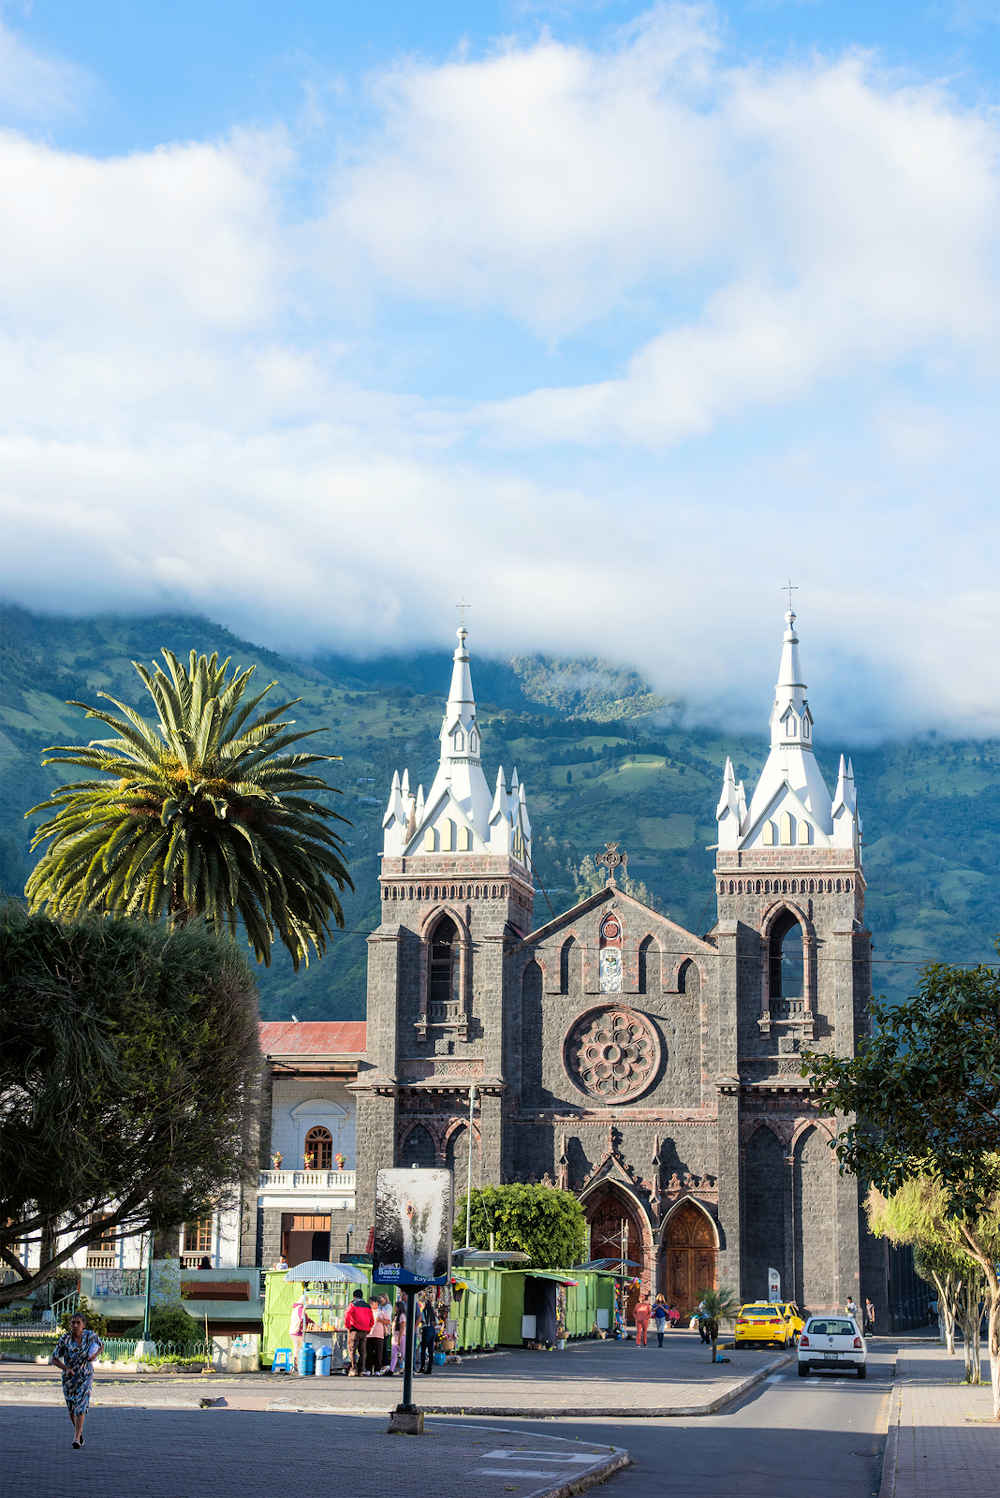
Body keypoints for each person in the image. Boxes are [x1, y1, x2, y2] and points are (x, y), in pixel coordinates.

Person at [53, 1312, 103, 1448]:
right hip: (69, 1377)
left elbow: (101, 1345)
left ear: (83, 1325)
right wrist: (66, 1368)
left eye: (78, 1323)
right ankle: (79, 1433)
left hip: (85, 1375)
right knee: (71, 1408)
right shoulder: (65, 1339)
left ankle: (76, 1439)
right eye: (73, 1322)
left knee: (80, 1406)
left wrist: (94, 1356)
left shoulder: (90, 1336)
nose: (75, 1325)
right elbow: (54, 1359)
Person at [345, 1289, 374, 1376]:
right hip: (364, 1332)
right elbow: (372, 1320)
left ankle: (354, 1369)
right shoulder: (368, 1306)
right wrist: (368, 1329)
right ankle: (362, 1370)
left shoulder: (352, 1304)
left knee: (352, 1350)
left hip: (354, 1330)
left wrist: (348, 1326)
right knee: (363, 1351)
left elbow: (347, 1314)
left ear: (354, 1296)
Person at [289, 1296, 315, 1373]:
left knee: (298, 1348)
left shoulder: (297, 1308)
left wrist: (312, 1323)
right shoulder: (300, 1308)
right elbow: (303, 1318)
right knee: (298, 1349)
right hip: (296, 1331)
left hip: (295, 1331)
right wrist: (311, 1324)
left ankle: (298, 1366)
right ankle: (296, 1367)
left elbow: (306, 1318)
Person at [365, 1296, 384, 1375]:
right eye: (370, 1303)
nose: (372, 1304)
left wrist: (380, 1320)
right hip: (369, 1334)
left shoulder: (381, 1312)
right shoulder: (367, 1311)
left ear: (377, 1303)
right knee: (368, 1353)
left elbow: (388, 1321)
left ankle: (377, 1370)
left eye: (373, 1303)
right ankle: (368, 1369)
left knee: (378, 1354)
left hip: (379, 1335)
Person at [419, 1295, 438, 1374]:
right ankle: (429, 1368)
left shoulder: (424, 1311)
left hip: (426, 1330)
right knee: (431, 1351)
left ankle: (422, 1367)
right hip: (432, 1331)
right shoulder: (433, 1313)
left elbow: (422, 1320)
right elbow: (436, 1322)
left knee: (423, 1350)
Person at [389, 1297, 407, 1375]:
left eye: (395, 1307)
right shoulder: (396, 1316)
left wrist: (399, 1339)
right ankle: (391, 1370)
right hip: (395, 1337)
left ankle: (407, 1368)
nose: (394, 1308)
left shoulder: (402, 1316)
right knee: (394, 1355)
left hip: (401, 1337)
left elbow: (402, 1328)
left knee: (403, 1354)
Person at [376, 1294, 393, 1373]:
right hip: (379, 1329)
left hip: (385, 1329)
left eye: (381, 1298)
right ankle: (382, 1364)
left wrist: (380, 1319)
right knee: (380, 1347)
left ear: (385, 1299)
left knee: (384, 1346)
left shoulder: (388, 1307)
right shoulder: (380, 1306)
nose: (380, 1300)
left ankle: (385, 1364)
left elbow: (387, 1318)